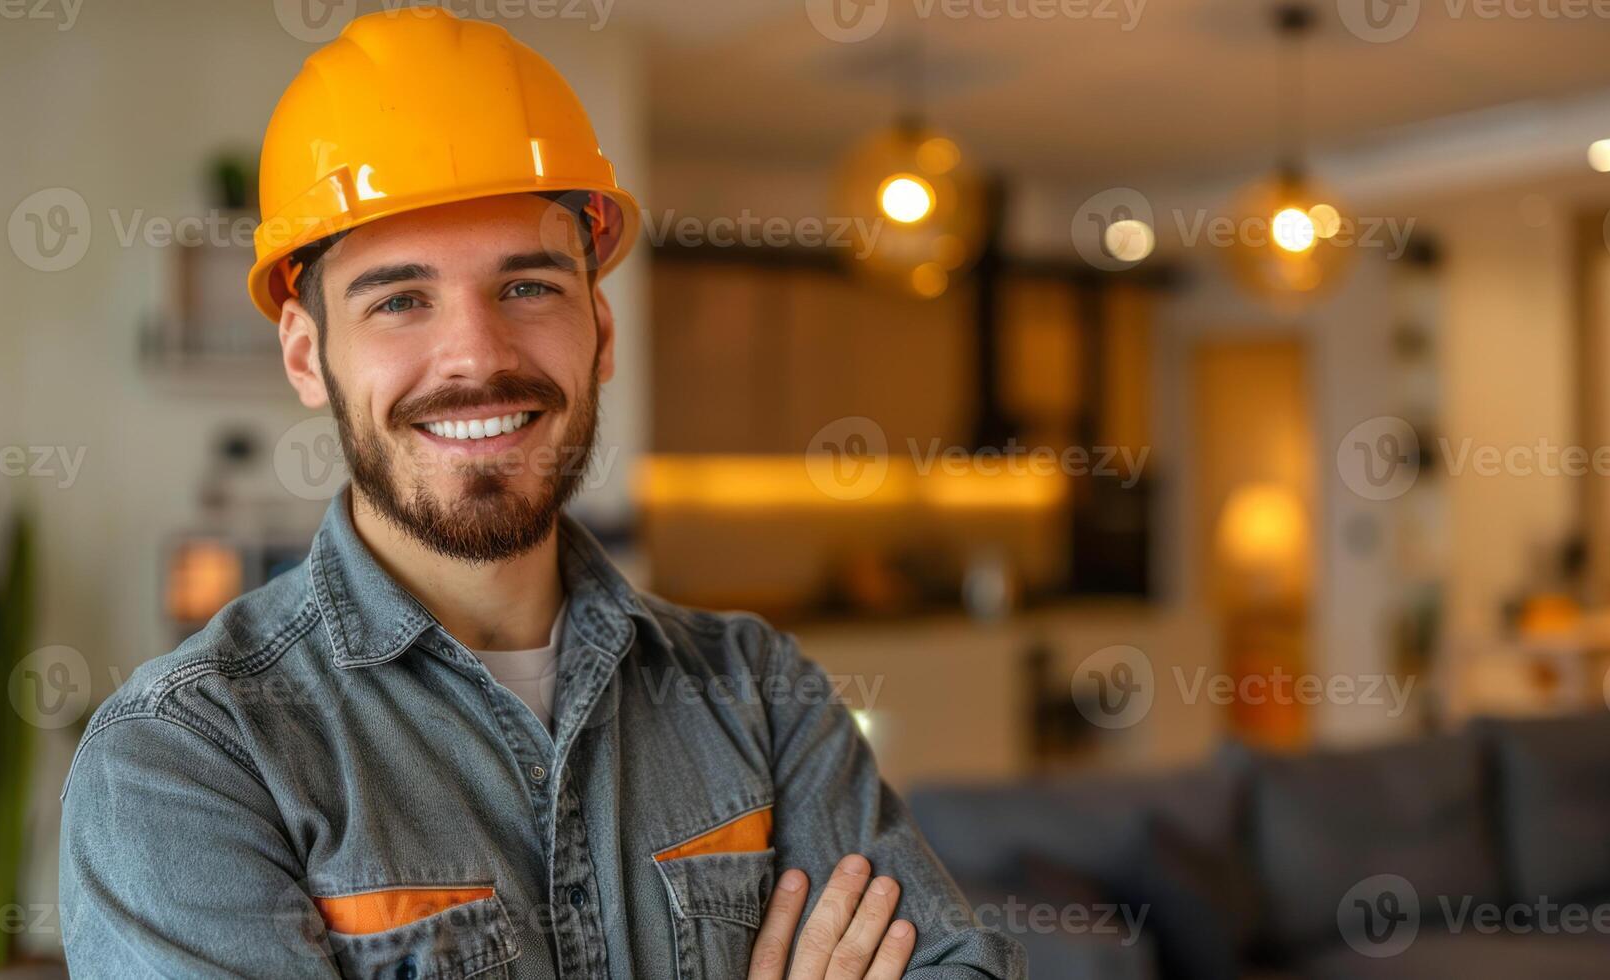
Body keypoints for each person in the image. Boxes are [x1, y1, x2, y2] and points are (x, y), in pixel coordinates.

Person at [59, 9, 1024, 979]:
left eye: (528, 285)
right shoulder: (191, 755)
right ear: (309, 356)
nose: (479, 353)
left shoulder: (759, 692)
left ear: (600, 330)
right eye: (400, 298)